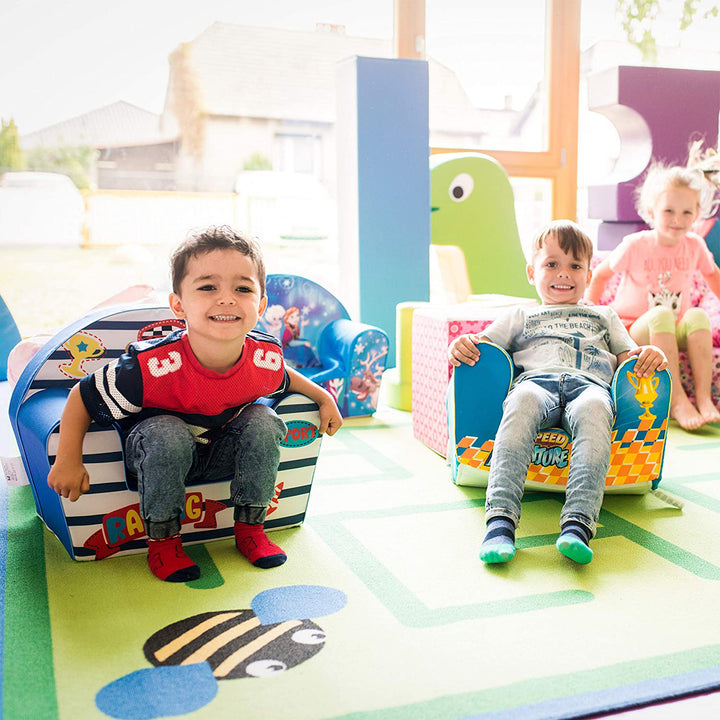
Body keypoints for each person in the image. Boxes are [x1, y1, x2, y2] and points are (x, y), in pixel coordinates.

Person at [47, 226, 343, 582]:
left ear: (261, 305)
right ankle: (164, 540)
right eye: (207, 287)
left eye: (243, 288)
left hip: (217, 452)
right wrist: (67, 460)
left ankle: (250, 528)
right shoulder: (151, 367)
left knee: (263, 419)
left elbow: (284, 376)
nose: (227, 299)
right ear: (178, 305)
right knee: (168, 432)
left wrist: (324, 398)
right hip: (154, 459)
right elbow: (83, 394)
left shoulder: (262, 358)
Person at [449, 220, 667, 565]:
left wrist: (651, 354)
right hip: (536, 384)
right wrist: (462, 344)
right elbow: (481, 347)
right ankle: (500, 522)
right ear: (531, 272)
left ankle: (578, 525)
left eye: (575, 265)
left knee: (596, 414)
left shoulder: (603, 315)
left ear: (589, 274)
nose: (563, 273)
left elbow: (631, 359)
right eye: (551, 264)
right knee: (519, 405)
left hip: (590, 388)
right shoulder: (519, 315)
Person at [587, 157, 720, 431]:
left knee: (697, 315)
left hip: (671, 330)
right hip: (633, 329)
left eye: (687, 212)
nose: (678, 220)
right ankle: (678, 400)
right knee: (660, 314)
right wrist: (590, 312)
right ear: (652, 210)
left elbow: (712, 275)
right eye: (669, 210)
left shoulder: (694, 244)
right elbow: (600, 275)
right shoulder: (636, 244)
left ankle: (704, 398)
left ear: (697, 214)